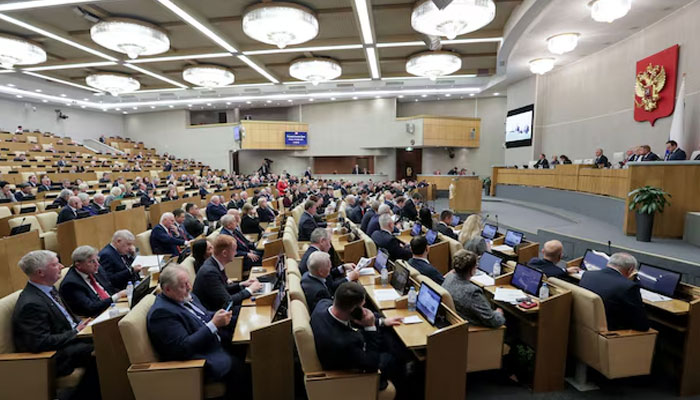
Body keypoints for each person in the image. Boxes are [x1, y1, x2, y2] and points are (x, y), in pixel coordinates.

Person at [147, 265, 250, 397]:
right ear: (167, 289)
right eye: (183, 285)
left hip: (216, 341)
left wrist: (223, 316)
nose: (189, 287)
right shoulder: (161, 313)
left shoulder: (185, 296)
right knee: (245, 370)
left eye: (188, 282)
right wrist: (214, 324)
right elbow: (183, 348)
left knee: (252, 347)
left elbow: (205, 315)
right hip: (201, 358)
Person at [13, 250, 101, 399]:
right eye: (55, 264)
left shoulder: (49, 289)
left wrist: (80, 324)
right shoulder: (31, 304)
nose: (61, 266)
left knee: (108, 338)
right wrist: (75, 331)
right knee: (104, 352)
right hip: (55, 356)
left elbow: (67, 320)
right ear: (40, 272)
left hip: (71, 341)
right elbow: (39, 342)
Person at [310, 282, 402, 394]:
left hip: (344, 346)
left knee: (386, 335)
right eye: (362, 306)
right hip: (347, 374)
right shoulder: (344, 343)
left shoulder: (323, 304)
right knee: (392, 355)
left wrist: (381, 321)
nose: (364, 309)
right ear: (354, 310)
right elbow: (371, 364)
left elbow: (350, 319)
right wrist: (370, 327)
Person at [580, 253, 650, 331]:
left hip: (585, 324)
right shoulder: (628, 286)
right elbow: (642, 325)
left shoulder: (587, 275)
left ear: (608, 263)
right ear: (631, 270)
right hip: (611, 331)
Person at [192, 235, 262, 311]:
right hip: (216, 313)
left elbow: (223, 288)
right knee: (252, 309)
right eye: (234, 250)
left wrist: (242, 284)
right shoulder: (209, 272)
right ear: (224, 253)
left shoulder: (215, 263)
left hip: (221, 307)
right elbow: (227, 301)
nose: (236, 253)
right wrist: (250, 290)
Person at [442, 250, 505, 328]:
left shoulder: (449, 277)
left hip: (454, 322)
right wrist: (498, 313)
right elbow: (494, 321)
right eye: (476, 265)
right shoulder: (472, 292)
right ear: (471, 270)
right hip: (473, 330)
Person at [59, 246, 126, 318]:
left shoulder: (96, 270)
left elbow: (110, 288)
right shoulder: (71, 284)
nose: (97, 264)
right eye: (91, 261)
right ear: (78, 265)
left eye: (97, 260)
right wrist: (116, 297)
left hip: (113, 308)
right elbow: (90, 308)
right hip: (95, 317)